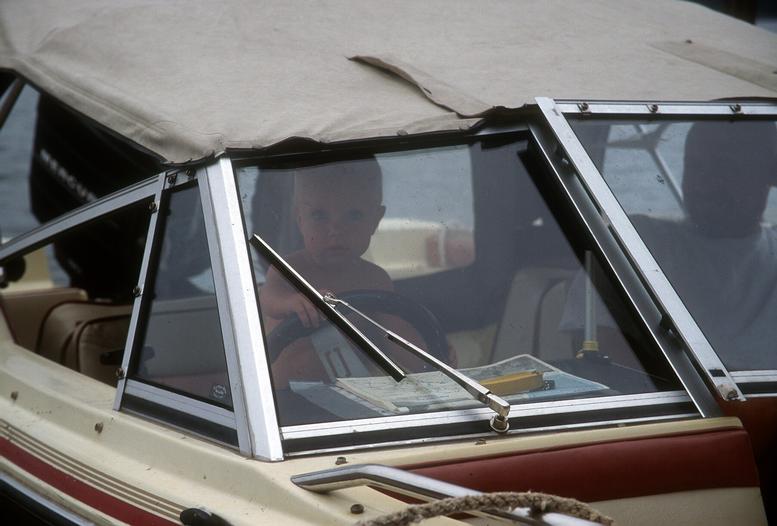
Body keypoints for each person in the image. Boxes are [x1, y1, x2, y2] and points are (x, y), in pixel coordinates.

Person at [561, 120, 777, 371]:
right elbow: (603, 359)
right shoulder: (633, 243)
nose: (704, 183)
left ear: (768, 175)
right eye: (695, 166)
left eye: (725, 168)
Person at [259, 157, 426, 387]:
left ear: (375, 220)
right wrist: (292, 302)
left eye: (354, 215)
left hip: (353, 395)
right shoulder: (288, 270)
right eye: (320, 215)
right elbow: (268, 299)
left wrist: (428, 356)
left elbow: (396, 335)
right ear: (300, 219)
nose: (335, 229)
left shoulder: (375, 279)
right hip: (283, 395)